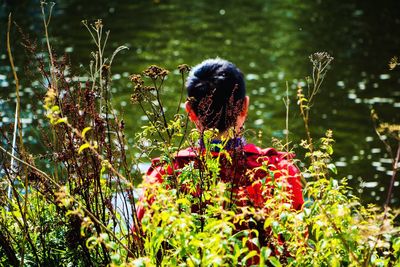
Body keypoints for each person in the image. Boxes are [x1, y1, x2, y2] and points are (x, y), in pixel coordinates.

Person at [136, 58, 304, 263]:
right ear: (244, 107)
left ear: (190, 112)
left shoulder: (164, 175)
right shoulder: (279, 172)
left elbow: (141, 248)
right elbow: (296, 250)